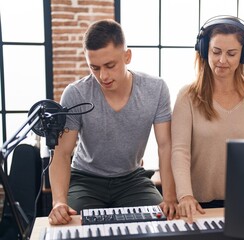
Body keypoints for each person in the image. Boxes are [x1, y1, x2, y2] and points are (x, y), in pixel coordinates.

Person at [48, 19, 178, 225]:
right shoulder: (75, 93)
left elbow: (165, 146)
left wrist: (170, 197)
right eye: (95, 68)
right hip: (86, 180)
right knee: (70, 225)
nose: (103, 76)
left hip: (132, 180)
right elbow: (62, 153)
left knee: (161, 223)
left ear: (127, 56)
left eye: (110, 65)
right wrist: (58, 202)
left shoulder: (156, 89)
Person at [171, 15, 244, 222]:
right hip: (197, 205)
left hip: (243, 203)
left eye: (231, 54)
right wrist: (185, 196)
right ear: (204, 49)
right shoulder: (187, 96)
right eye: (216, 52)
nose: (222, 60)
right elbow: (179, 151)